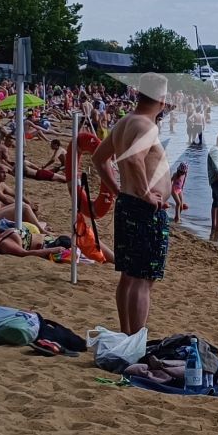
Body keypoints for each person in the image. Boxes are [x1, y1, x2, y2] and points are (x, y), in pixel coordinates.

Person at [92, 73, 172, 335]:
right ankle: (135, 339)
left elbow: (99, 158)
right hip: (143, 208)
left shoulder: (125, 122)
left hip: (128, 203)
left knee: (129, 276)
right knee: (143, 279)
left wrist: (118, 190)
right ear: (161, 99)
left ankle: (127, 335)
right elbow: (135, 159)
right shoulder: (147, 126)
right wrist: (146, 193)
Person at [0, 165, 44, 230]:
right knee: (25, 207)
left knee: (26, 205)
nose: (5, 175)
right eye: (2, 172)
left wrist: (29, 202)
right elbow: (6, 200)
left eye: (6, 173)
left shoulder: (1, 184)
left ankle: (36, 225)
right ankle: (41, 230)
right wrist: (26, 205)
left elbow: (16, 194)